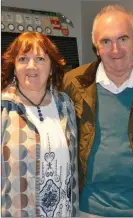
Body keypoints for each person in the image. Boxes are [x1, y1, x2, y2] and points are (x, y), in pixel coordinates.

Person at [62, 4, 133, 217]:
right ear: (96, 46)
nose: (115, 50)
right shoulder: (74, 82)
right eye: (106, 41)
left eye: (123, 39)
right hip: (88, 208)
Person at [1, 32, 79, 217]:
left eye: (40, 58)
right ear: (14, 66)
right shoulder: (4, 108)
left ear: (51, 67)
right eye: (23, 59)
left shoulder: (65, 105)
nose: (31, 66)